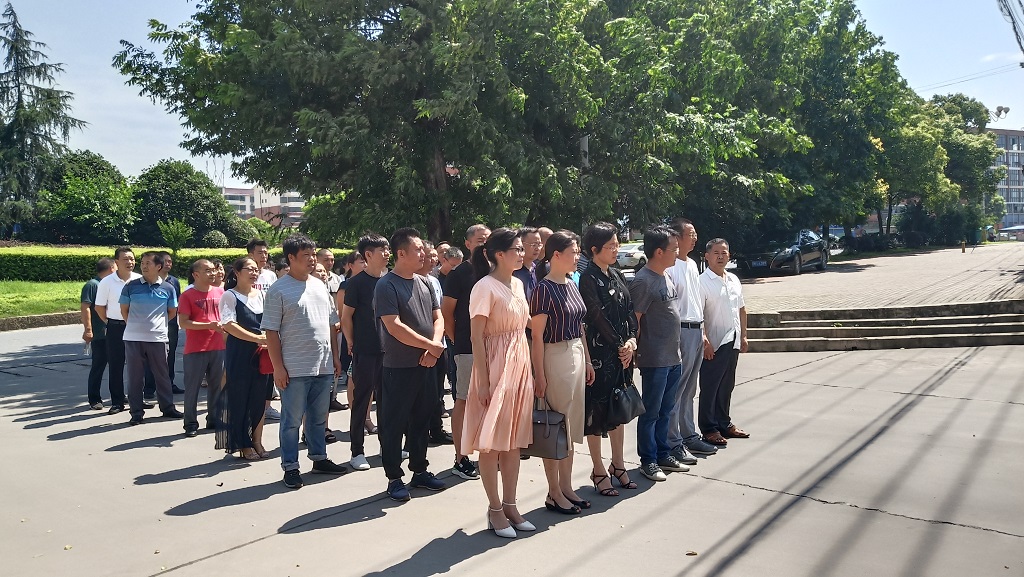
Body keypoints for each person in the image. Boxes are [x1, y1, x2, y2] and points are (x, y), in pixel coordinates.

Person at [462, 228, 536, 538]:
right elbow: (476, 337)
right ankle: (494, 509)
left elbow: (525, 324)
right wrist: (483, 381)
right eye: (516, 249)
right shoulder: (484, 287)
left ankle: (510, 505)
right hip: (494, 366)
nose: (522, 253)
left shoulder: (517, 283)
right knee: (491, 442)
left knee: (513, 440)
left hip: (519, 364)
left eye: (522, 249)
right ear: (498, 254)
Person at [262, 234, 349, 488]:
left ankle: (319, 458)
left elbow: (331, 326)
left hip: (323, 365)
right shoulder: (278, 289)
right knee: (291, 421)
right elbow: (271, 332)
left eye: (313, 254)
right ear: (291, 258)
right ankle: (290, 466)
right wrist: (278, 367)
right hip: (294, 368)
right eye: (306, 255)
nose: (312, 259)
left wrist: (335, 357)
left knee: (318, 417)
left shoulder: (320, 286)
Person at [375, 227, 447, 501]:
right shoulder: (387, 285)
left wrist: (434, 347)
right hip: (399, 366)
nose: (423, 253)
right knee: (394, 423)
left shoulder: (425, 282)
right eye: (417, 249)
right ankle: (394, 477)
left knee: (422, 419)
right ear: (401, 253)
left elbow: (438, 317)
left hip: (427, 363)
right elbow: (394, 326)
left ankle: (419, 470)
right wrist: (430, 346)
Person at [530, 230, 594, 514]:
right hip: (555, 355)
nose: (577, 257)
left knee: (572, 425)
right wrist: (540, 375)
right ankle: (554, 491)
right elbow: (537, 336)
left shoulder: (571, 283)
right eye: (573, 252)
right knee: (557, 426)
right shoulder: (544, 289)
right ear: (556, 255)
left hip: (576, 353)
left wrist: (588, 360)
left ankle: (566, 487)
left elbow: (580, 326)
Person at [578, 222, 639, 496]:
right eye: (610, 246)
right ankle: (598, 469)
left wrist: (632, 340)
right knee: (598, 412)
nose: (616, 250)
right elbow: (596, 316)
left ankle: (618, 464)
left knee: (620, 407)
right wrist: (618, 345)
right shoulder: (588, 278)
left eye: (617, 245)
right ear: (594, 249)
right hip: (601, 354)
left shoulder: (617, 274)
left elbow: (630, 310)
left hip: (624, 353)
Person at [629, 226, 689, 481]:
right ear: (658, 252)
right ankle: (649, 460)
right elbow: (635, 320)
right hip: (654, 358)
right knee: (651, 412)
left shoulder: (666, 276)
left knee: (666, 410)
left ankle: (663, 454)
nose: (677, 253)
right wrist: (635, 352)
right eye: (673, 249)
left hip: (673, 356)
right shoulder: (643, 281)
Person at [666, 218, 720, 462]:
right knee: (677, 389)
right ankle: (672, 440)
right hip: (681, 330)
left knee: (690, 388)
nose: (695, 238)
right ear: (677, 237)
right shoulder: (670, 266)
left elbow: (697, 301)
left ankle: (689, 435)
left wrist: (704, 332)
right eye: (691, 234)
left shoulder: (692, 264)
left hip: (697, 329)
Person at [442, 224, 490, 481]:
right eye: (480, 240)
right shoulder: (460, 273)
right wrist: (455, 340)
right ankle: (460, 458)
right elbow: (447, 312)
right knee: (463, 400)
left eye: (488, 239)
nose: (485, 244)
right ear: (468, 244)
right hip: (467, 348)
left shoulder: (496, 271)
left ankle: (488, 453)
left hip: (494, 348)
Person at [341, 233, 390, 472]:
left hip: (389, 351)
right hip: (366, 350)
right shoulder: (356, 283)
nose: (387, 254)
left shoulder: (389, 281)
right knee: (362, 401)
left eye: (388, 249)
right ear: (368, 255)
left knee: (387, 401)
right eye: (382, 250)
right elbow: (346, 316)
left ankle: (387, 446)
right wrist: (351, 341)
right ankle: (357, 451)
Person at [120, 251, 183, 425]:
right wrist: (136, 325)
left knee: (162, 375)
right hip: (133, 338)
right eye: (143, 263)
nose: (144, 266)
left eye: (148, 263)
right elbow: (124, 310)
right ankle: (136, 412)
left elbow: (172, 312)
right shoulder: (131, 286)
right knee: (135, 377)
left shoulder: (168, 288)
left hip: (158, 338)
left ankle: (167, 407)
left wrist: (156, 325)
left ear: (158, 266)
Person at [698, 238, 750, 446]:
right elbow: (699, 314)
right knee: (710, 386)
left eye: (724, 253)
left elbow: (742, 309)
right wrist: (705, 340)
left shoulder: (733, 279)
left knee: (727, 385)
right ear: (707, 256)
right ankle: (708, 428)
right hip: (714, 343)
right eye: (716, 253)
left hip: (733, 340)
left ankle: (724, 423)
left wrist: (744, 335)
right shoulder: (702, 282)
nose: (721, 257)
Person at [218, 258, 269, 460]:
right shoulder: (229, 296)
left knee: (259, 398)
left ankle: (257, 440)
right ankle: (243, 443)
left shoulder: (262, 295)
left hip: (262, 354)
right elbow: (228, 324)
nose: (254, 273)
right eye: (250, 269)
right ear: (237, 272)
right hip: (240, 353)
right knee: (240, 399)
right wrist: (256, 338)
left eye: (256, 270)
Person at [177, 259, 226, 437]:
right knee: (193, 388)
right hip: (196, 349)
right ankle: (190, 423)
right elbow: (183, 323)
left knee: (217, 387)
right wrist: (209, 325)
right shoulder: (187, 295)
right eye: (208, 270)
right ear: (196, 275)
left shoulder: (221, 292)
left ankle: (213, 419)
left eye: (213, 270)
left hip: (219, 347)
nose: (213, 273)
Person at [93, 247, 140, 415]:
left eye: (132, 259)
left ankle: (137, 399)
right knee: (116, 365)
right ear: (117, 262)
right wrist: (109, 322)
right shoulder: (107, 282)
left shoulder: (139, 280)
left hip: (137, 327)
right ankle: (117, 401)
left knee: (138, 364)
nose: (130, 262)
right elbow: (99, 307)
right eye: (125, 259)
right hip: (116, 327)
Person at [417, 241, 453, 445]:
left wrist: (438, 341)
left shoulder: (434, 281)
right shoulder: (410, 281)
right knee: (420, 395)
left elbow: (440, 313)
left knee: (437, 392)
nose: (433, 260)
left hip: (440, 345)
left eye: (434, 256)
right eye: (429, 255)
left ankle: (436, 429)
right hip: (421, 347)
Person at [248, 239, 280, 422]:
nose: (264, 256)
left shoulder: (270, 276)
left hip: (269, 324)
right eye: (260, 252)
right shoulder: (243, 273)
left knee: (269, 367)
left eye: (266, 252)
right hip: (251, 324)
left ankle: (267, 407)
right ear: (250, 254)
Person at [144, 251, 184, 399]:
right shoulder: (148, 281)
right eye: (166, 261)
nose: (168, 264)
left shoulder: (174, 281)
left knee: (170, 355)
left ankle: (169, 384)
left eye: (170, 261)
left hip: (171, 324)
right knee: (151, 356)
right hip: (152, 325)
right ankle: (149, 388)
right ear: (159, 264)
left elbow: (176, 304)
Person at [81, 258, 116, 410]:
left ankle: (118, 395)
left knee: (116, 366)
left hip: (114, 332)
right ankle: (94, 398)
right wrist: (88, 329)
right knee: (98, 366)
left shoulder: (111, 284)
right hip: (100, 334)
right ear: (111, 268)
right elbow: (85, 307)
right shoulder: (93, 285)